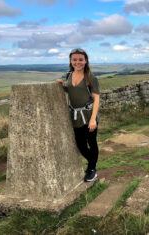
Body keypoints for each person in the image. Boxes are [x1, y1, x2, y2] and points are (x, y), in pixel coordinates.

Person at [56, 48, 100, 182]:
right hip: (75, 116)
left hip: (88, 116)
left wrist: (93, 119)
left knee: (91, 143)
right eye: (74, 59)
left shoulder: (91, 78)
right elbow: (71, 91)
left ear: (85, 61)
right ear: (71, 61)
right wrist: (63, 86)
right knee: (80, 145)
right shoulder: (68, 75)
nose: (77, 62)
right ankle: (93, 161)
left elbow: (96, 99)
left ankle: (92, 169)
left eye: (80, 59)